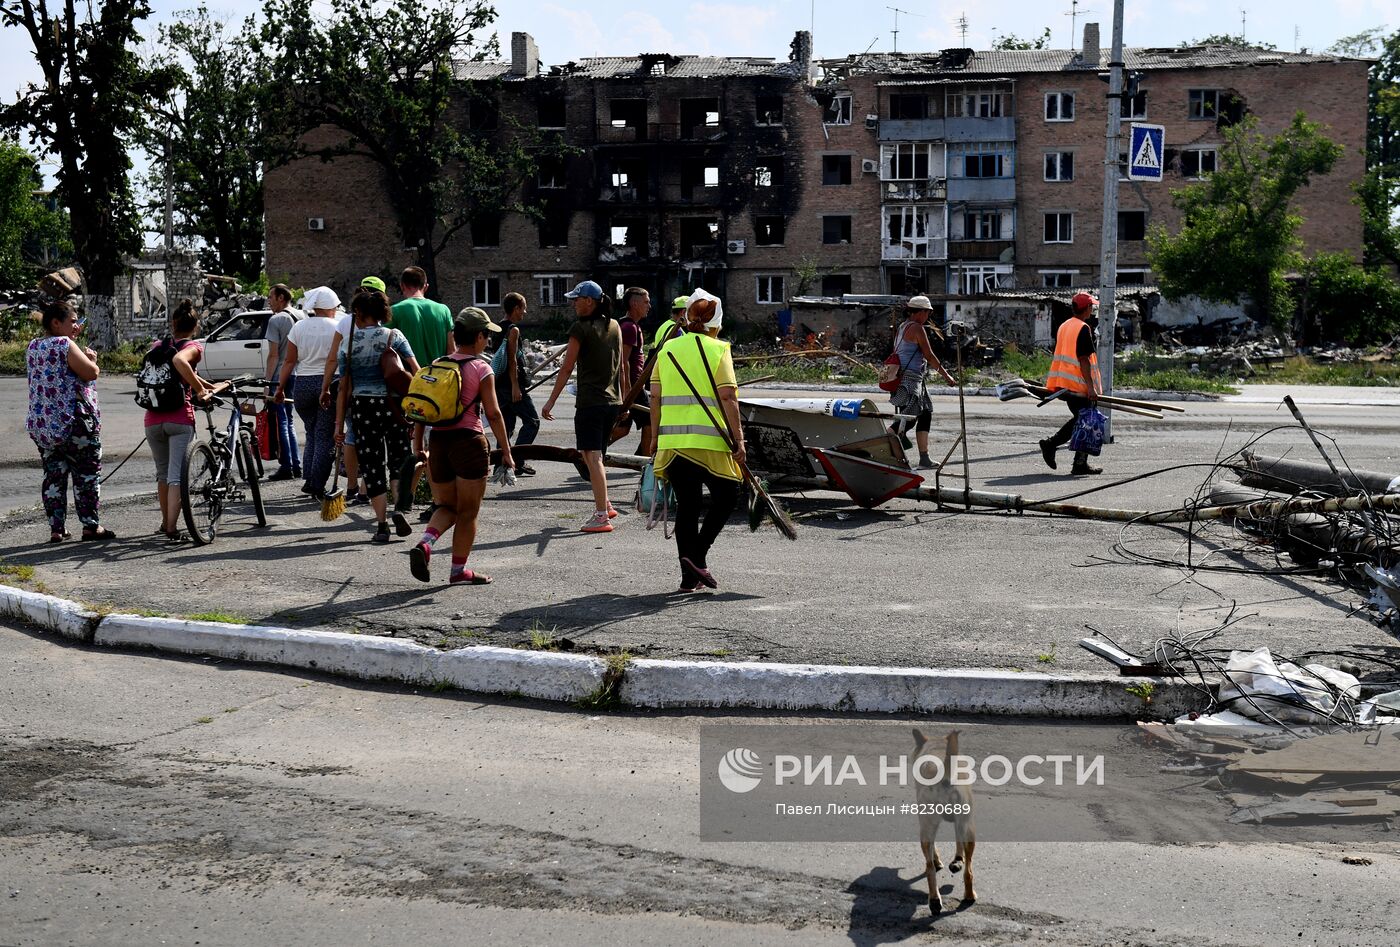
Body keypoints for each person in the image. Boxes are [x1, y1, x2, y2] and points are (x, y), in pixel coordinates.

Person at [409, 308, 514, 585]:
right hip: (468, 443)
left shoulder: (437, 363)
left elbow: (422, 410)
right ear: (478, 337)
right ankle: (458, 572)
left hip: (439, 443)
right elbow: (493, 413)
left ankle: (426, 543)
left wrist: (418, 444)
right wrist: (507, 450)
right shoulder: (481, 368)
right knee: (468, 512)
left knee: (446, 505)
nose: (487, 341)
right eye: (486, 335)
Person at [649, 288, 744, 593]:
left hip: (674, 445)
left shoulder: (667, 350)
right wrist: (738, 439)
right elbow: (728, 396)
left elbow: (655, 397)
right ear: (716, 322)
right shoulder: (719, 349)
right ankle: (699, 555)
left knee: (688, 506)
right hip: (711, 442)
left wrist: (654, 439)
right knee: (728, 496)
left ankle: (689, 578)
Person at [333, 289, 420, 542]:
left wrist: (339, 424)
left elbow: (344, 388)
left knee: (371, 465)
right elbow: (415, 371)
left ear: (358, 313)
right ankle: (400, 509)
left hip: (363, 408)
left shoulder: (348, 344)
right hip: (394, 405)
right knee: (399, 459)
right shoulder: (394, 336)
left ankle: (382, 526)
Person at [25, 300, 113, 542]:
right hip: (73, 422)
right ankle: (90, 526)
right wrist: (91, 359)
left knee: (54, 476)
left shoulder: (33, 346)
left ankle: (57, 528)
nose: (77, 326)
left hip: (44, 424)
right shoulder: (64, 344)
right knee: (86, 474)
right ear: (56, 323)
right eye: (72, 321)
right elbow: (90, 373)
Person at [541, 280, 622, 534]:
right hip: (612, 402)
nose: (573, 303)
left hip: (590, 402)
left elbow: (566, 368)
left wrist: (551, 400)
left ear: (590, 301)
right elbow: (622, 364)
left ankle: (601, 517)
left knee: (592, 457)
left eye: (577, 299)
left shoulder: (580, 328)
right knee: (593, 457)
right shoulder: (615, 325)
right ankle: (605, 504)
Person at [144, 299, 211, 541]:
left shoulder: (156, 346)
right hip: (179, 419)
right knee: (175, 476)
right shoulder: (193, 346)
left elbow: (171, 374)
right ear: (195, 325)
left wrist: (205, 384)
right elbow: (180, 363)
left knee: (162, 474)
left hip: (152, 419)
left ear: (173, 323)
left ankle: (164, 522)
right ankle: (172, 529)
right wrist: (200, 391)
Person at [275, 289, 341, 499]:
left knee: (312, 431)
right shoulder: (337, 326)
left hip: (302, 384)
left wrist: (279, 387)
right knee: (324, 436)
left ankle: (310, 478)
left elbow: (289, 361)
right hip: (328, 383)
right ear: (330, 307)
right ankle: (317, 483)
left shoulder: (299, 326)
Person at [1038, 291, 1103, 476]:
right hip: (1079, 386)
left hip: (1065, 383)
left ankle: (1078, 461)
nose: (1092, 309)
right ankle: (1053, 445)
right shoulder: (1082, 328)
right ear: (1087, 308)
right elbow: (1083, 360)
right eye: (1092, 306)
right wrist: (1091, 388)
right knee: (1085, 421)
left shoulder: (1065, 326)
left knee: (1083, 421)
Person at [889, 295, 956, 470]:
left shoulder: (902, 327)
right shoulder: (917, 328)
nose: (928, 316)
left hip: (911, 379)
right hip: (909, 380)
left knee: (925, 414)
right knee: (909, 419)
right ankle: (887, 441)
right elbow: (929, 355)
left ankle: (924, 458)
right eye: (927, 312)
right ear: (920, 312)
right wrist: (947, 376)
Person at [318, 282, 370, 506]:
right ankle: (366, 488)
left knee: (350, 435)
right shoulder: (382, 323)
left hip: (347, 383)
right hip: (373, 387)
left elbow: (332, 357)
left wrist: (325, 386)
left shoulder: (345, 322)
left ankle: (351, 486)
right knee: (371, 438)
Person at [492, 292, 540, 476]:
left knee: (507, 425)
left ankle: (500, 463)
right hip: (511, 386)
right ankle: (517, 461)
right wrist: (515, 386)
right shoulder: (513, 330)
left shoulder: (497, 328)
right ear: (515, 308)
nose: (525, 312)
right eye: (523, 308)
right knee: (532, 422)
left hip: (499, 385)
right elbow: (511, 359)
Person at [263, 284, 303, 481]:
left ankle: (287, 465)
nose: (269, 301)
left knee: (283, 421)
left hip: (280, 374)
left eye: (271, 297)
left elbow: (273, 355)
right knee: (290, 420)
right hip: (298, 373)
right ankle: (296, 464)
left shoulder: (276, 319)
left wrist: (267, 382)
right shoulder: (302, 316)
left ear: (280, 298)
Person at [388, 265, 453, 365]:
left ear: (402, 286)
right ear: (426, 286)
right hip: (439, 377)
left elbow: (385, 346)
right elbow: (451, 351)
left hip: (410, 378)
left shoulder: (394, 310)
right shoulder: (444, 310)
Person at [619, 286, 654, 455]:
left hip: (635, 385)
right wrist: (627, 391)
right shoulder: (629, 328)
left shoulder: (633, 326)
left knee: (623, 428)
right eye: (646, 302)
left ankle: (594, 453)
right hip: (633, 386)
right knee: (651, 422)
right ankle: (645, 463)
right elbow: (623, 362)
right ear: (634, 303)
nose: (649, 306)